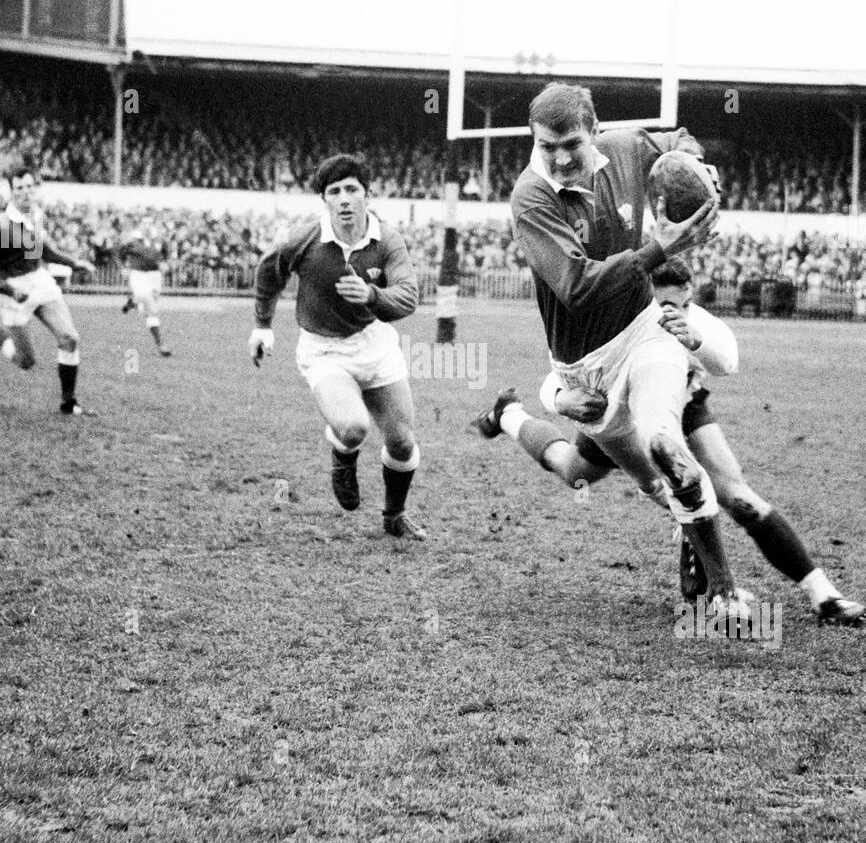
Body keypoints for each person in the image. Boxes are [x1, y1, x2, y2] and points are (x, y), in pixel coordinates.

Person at [477, 81, 746, 615]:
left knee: (665, 445)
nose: (557, 159)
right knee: (581, 472)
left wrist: (697, 169)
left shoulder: (627, 147)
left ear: (594, 133)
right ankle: (509, 415)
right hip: (586, 367)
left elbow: (679, 142)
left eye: (570, 144)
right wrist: (656, 250)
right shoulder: (531, 197)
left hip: (644, 331)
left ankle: (726, 596)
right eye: (545, 146)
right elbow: (576, 288)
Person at [477, 257, 863, 628]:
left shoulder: (693, 320)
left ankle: (824, 596)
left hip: (681, 407)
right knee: (574, 470)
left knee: (737, 495)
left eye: (681, 304)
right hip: (615, 416)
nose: (671, 312)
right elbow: (560, 375)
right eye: (660, 304)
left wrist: (695, 340)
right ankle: (509, 414)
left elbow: (728, 361)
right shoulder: (615, 317)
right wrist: (562, 400)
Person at [248, 153, 425, 540]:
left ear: (367, 195)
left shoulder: (388, 240)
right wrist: (262, 326)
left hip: (375, 346)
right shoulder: (305, 239)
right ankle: (343, 456)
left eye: (352, 189)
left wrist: (371, 295)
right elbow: (267, 271)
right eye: (334, 192)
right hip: (324, 350)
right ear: (324, 200)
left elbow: (409, 296)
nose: (344, 199)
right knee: (353, 428)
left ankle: (394, 515)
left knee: (402, 441)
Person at [0, 171, 95, 415]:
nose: (25, 192)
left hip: (40, 282)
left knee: (70, 338)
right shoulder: (2, 225)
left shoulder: (36, 214)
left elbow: (42, 251)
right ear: (11, 190)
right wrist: (11, 291)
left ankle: (68, 402)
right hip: (13, 289)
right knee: (26, 362)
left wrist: (74, 263)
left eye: (29, 187)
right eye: (19, 188)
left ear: (36, 188)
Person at [119, 226, 172, 356]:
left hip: (154, 276)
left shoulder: (161, 241)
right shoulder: (133, 242)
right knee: (151, 308)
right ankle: (161, 345)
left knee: (148, 305)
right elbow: (120, 254)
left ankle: (133, 302)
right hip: (138, 274)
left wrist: (165, 265)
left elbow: (167, 257)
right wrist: (123, 267)